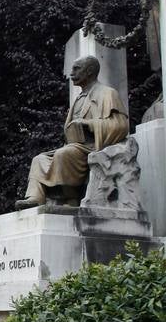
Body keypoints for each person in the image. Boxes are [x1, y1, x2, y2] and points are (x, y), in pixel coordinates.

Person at [16, 56, 129, 209]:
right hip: (74, 146)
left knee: (63, 155)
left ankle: (70, 199)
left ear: (89, 71)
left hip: (91, 147)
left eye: (76, 69)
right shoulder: (78, 98)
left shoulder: (108, 94)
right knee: (39, 159)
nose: (71, 73)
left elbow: (121, 125)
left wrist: (89, 124)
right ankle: (35, 197)